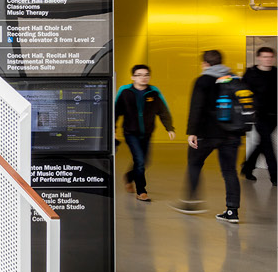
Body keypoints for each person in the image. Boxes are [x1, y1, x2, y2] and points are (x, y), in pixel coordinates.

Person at [172, 50, 244, 224]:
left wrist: (192, 132)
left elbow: (196, 108)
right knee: (229, 171)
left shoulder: (203, 80)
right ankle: (232, 211)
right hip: (231, 134)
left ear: (205, 64)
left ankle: (191, 202)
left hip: (207, 133)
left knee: (195, 164)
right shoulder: (233, 78)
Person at [114, 64, 175, 202]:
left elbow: (163, 111)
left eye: (146, 75)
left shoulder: (154, 92)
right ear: (133, 77)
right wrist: (113, 129)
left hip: (146, 133)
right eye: (139, 75)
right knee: (140, 161)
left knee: (144, 161)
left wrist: (169, 128)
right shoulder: (125, 91)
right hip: (130, 133)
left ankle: (129, 177)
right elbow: (115, 111)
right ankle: (141, 191)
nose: (143, 78)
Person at [241, 46, 276, 183]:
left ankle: (247, 168)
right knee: (267, 143)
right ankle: (275, 176)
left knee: (262, 143)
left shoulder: (276, 73)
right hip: (258, 115)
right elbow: (243, 95)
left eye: (270, 57)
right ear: (259, 58)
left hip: (274, 115)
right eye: (265, 57)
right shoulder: (251, 74)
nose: (268, 60)